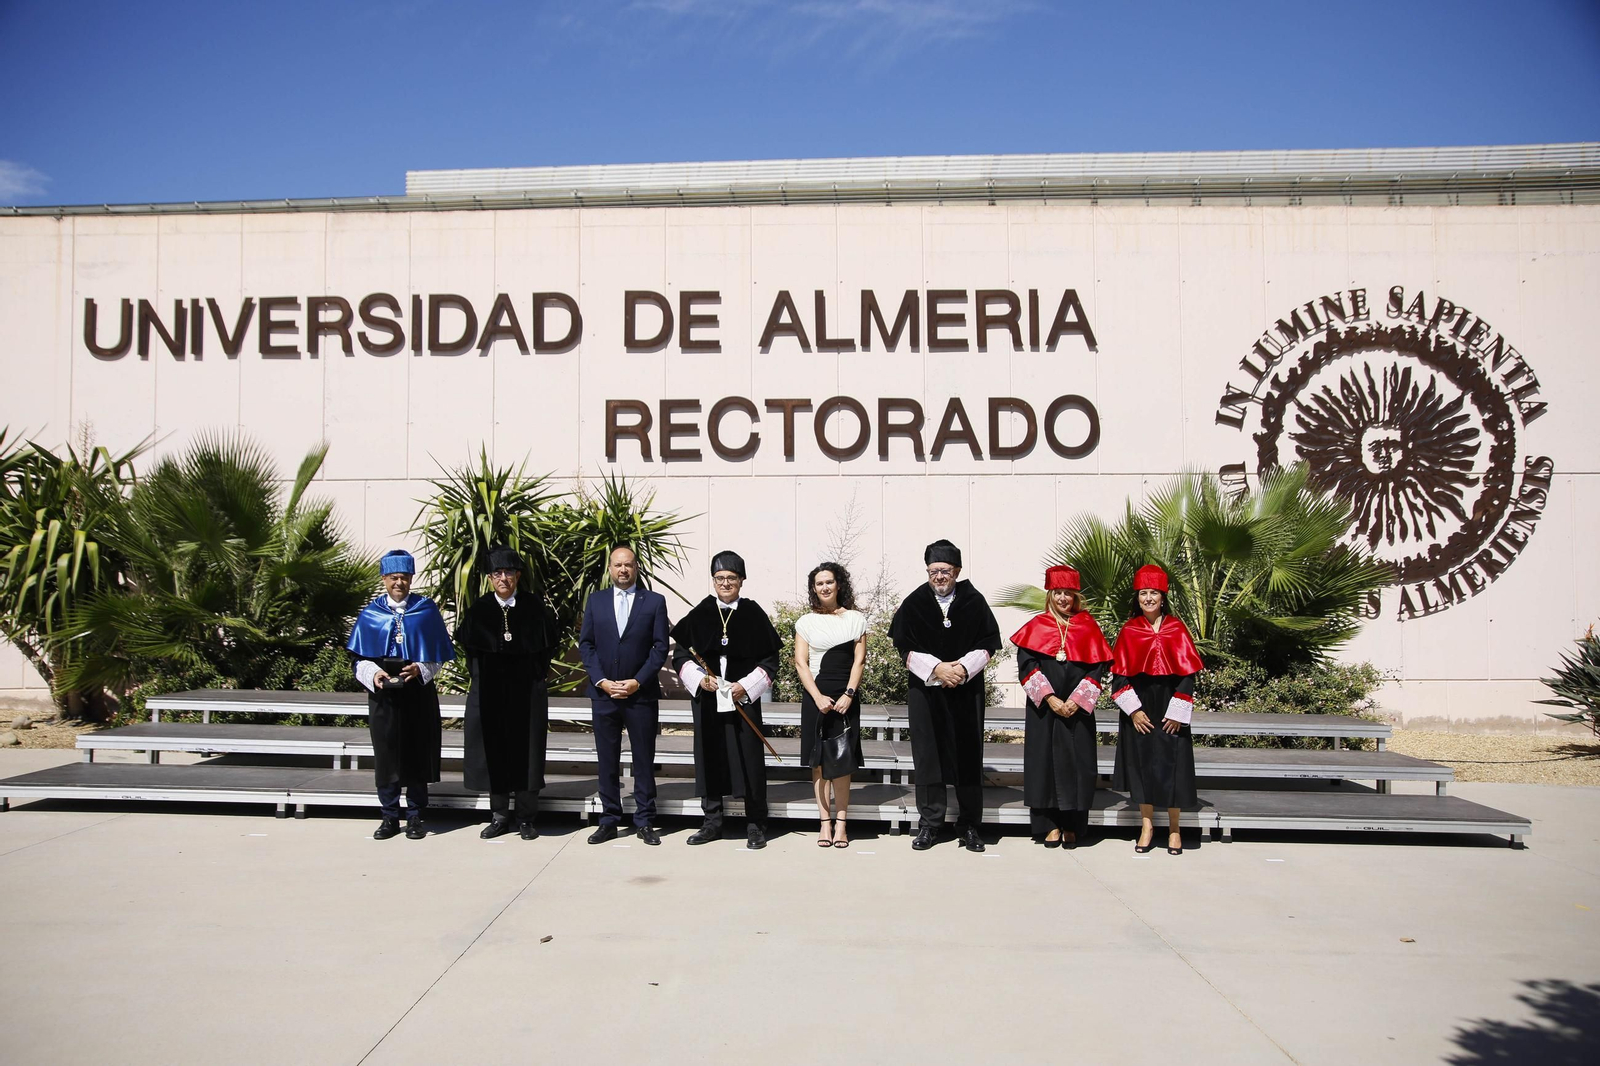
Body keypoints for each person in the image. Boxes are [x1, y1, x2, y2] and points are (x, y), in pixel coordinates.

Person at [888, 539, 1001, 852]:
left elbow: (989, 644)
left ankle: (969, 826)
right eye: (933, 571)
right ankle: (930, 824)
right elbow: (904, 648)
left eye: (945, 571)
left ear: (957, 571)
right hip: (927, 693)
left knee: (967, 757)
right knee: (929, 758)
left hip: (966, 693)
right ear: (927, 571)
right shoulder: (914, 604)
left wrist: (962, 669)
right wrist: (937, 669)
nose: (939, 577)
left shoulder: (974, 601)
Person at [671, 551, 782, 850]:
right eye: (720, 578)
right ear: (713, 580)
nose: (725, 583)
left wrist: (743, 687)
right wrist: (700, 678)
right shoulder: (702, 612)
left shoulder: (753, 613)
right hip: (709, 699)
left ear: (742, 581)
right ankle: (712, 822)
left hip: (742, 698)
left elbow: (771, 659)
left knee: (749, 758)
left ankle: (756, 822)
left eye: (731, 578)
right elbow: (680, 653)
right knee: (710, 756)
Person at [345, 549, 454, 841]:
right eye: (393, 578)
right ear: (384, 579)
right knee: (387, 756)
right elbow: (358, 659)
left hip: (417, 693)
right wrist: (374, 673)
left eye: (404, 578)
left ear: (411, 578)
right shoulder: (371, 614)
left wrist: (420, 668)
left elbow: (438, 656)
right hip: (384, 696)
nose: (399, 583)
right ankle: (389, 816)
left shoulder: (426, 610)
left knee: (417, 754)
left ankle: (416, 815)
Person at [456, 546, 555, 841]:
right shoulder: (479, 611)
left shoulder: (535, 609)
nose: (503, 578)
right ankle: (499, 816)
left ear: (518, 576)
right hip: (491, 695)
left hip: (527, 695)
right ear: (489, 578)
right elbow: (471, 653)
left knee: (527, 754)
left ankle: (526, 818)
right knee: (494, 754)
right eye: (497, 573)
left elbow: (546, 651)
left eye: (509, 573)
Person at [1010, 565, 1113, 849]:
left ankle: (1073, 825)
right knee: (1044, 766)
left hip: (1077, 711)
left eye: (1068, 593)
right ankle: (1049, 825)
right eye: (1058, 593)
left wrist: (1076, 701)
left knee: (1076, 766)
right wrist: (1050, 698)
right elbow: (1026, 666)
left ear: (1076, 596)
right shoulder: (1036, 626)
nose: (1063, 599)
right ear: (1050, 595)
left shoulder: (1089, 626)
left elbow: (1097, 668)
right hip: (1045, 709)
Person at [578, 545, 670, 846]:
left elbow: (660, 648)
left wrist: (637, 681)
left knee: (644, 759)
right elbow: (587, 645)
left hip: (639, 695)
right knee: (607, 760)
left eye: (628, 565)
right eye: (617, 565)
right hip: (603, 694)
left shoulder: (654, 601)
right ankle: (609, 819)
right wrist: (602, 680)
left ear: (636, 567)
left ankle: (644, 820)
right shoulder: (596, 601)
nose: (623, 570)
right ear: (609, 568)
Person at [1109, 564, 1205, 855]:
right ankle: (1147, 826)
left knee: (1172, 765)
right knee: (1141, 765)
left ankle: (1175, 829)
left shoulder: (1177, 627)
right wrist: (1134, 711)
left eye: (1153, 593)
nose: (1148, 598)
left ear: (1163, 597)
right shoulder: (1129, 629)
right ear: (1137, 597)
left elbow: (1188, 673)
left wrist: (1178, 710)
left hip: (1169, 705)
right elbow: (1120, 676)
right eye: (1143, 593)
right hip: (1139, 706)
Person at [794, 562, 867, 848]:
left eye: (829, 582)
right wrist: (816, 696)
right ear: (814, 588)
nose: (824, 587)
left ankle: (842, 825)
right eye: (819, 583)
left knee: (843, 762)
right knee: (819, 763)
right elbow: (801, 662)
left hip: (846, 698)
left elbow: (859, 660)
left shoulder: (856, 619)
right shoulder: (806, 622)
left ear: (839, 584)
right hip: (817, 697)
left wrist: (849, 693)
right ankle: (824, 824)